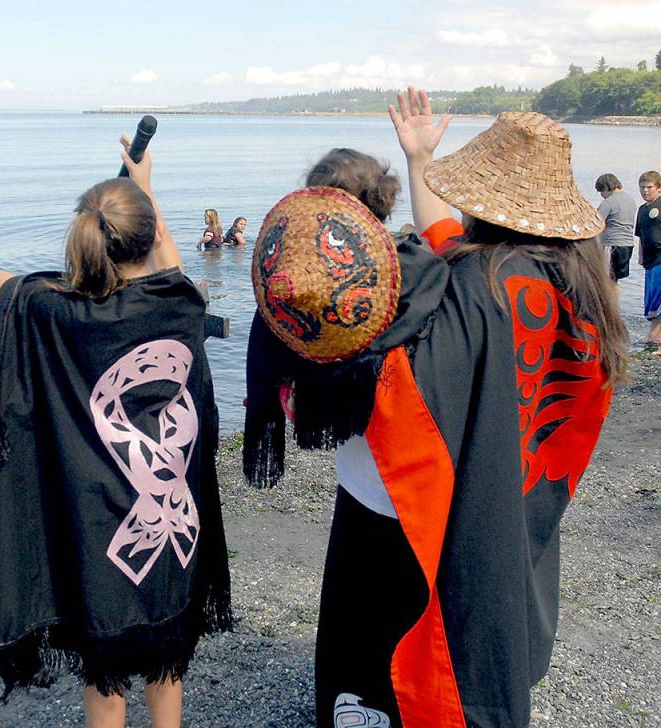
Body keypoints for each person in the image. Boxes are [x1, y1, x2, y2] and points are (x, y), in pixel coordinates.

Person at [244, 89, 627, 728]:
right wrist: (421, 157)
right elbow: (444, 232)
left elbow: (408, 398)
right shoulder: (581, 287)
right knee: (493, 611)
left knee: (406, 652)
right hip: (518, 489)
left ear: (486, 201)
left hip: (417, 513)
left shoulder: (471, 287)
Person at [0, 112, 231, 728]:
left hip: (98, 530)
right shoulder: (180, 301)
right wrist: (144, 184)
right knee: (166, 665)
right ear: (147, 235)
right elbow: (167, 255)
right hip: (173, 521)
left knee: (105, 679)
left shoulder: (55, 310)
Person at [595, 173, 637, 284]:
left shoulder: (608, 202)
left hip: (612, 244)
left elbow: (596, 223)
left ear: (606, 187)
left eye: (601, 191)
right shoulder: (630, 200)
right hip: (627, 245)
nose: (601, 195)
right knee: (614, 280)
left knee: (606, 280)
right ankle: (615, 301)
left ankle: (607, 301)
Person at [635, 170, 661, 344]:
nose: (645, 191)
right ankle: (654, 334)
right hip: (649, 260)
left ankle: (656, 335)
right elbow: (641, 236)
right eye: (642, 187)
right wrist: (641, 255)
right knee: (650, 298)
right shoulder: (642, 210)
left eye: (649, 187)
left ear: (659, 188)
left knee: (659, 296)